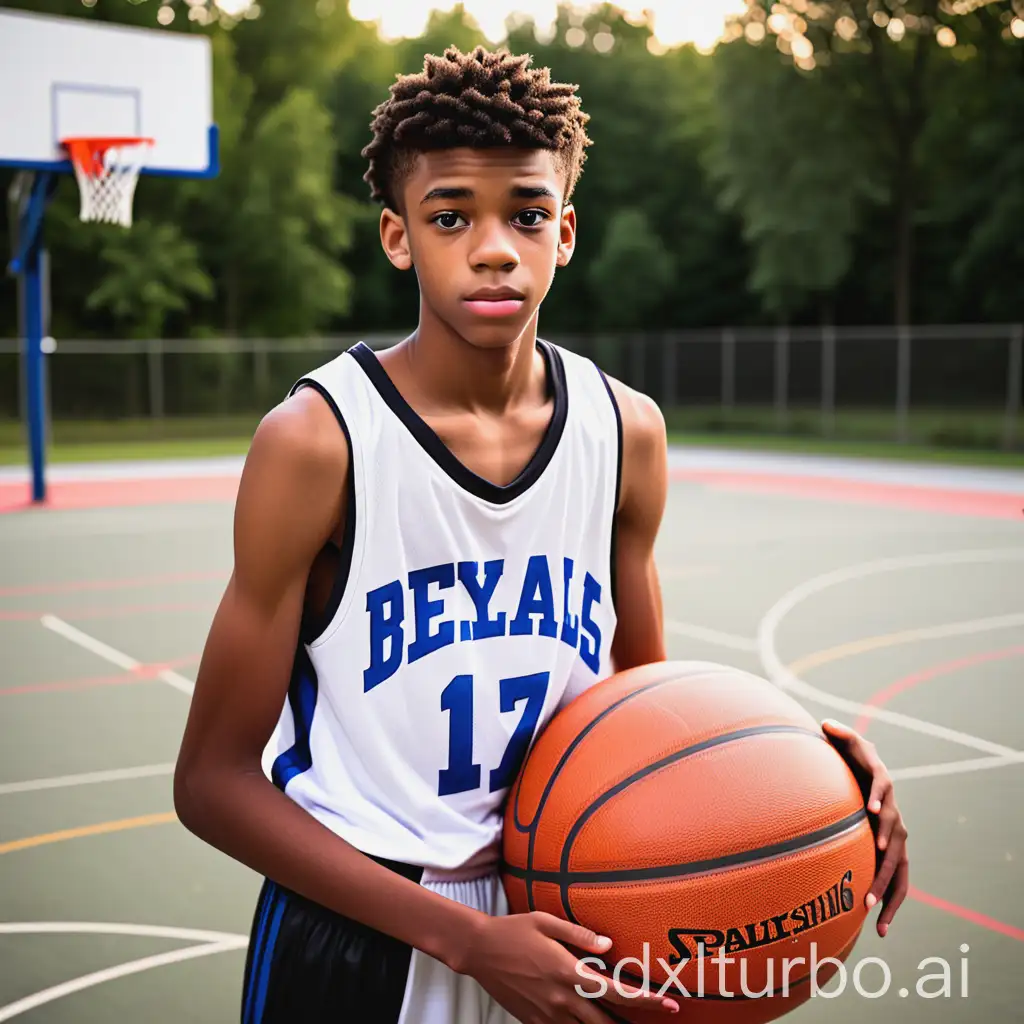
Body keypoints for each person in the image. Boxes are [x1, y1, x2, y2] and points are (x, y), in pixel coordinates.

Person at [173, 45, 909, 1024]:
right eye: (449, 216)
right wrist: (466, 940)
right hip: (363, 928)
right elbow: (211, 783)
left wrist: (805, 765)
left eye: (524, 214)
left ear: (564, 231)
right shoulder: (318, 442)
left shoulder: (625, 431)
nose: (491, 246)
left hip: (571, 916)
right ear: (398, 237)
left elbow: (654, 712)